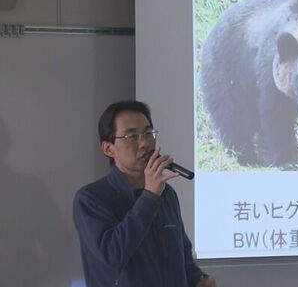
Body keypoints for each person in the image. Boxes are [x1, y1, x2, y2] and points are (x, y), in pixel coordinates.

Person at [73, 100, 216, 286]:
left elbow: (181, 251)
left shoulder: (166, 194)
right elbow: (113, 255)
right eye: (132, 137)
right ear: (108, 149)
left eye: (148, 134)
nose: (145, 143)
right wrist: (149, 197)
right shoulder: (91, 199)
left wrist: (198, 279)